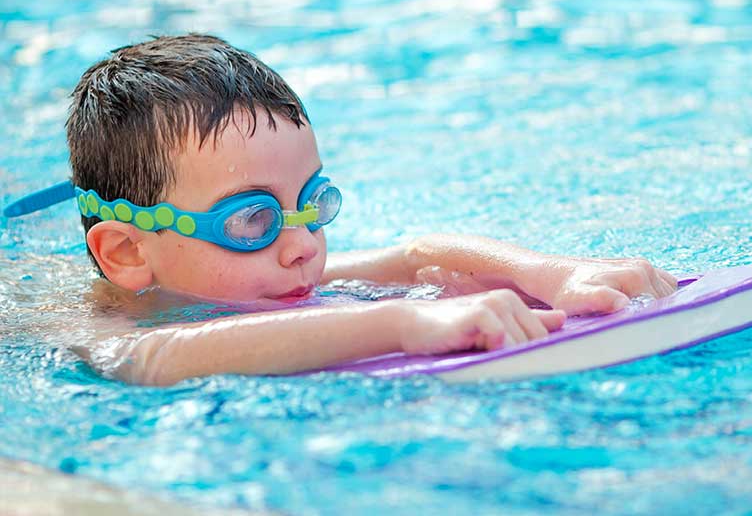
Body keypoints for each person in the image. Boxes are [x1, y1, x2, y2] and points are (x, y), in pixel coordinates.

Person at [4, 34, 678, 386]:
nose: (302, 246)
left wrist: (552, 274)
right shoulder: (105, 329)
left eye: (311, 205)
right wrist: (401, 324)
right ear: (127, 253)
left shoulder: (261, 275)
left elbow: (417, 257)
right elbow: (164, 355)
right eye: (250, 220)